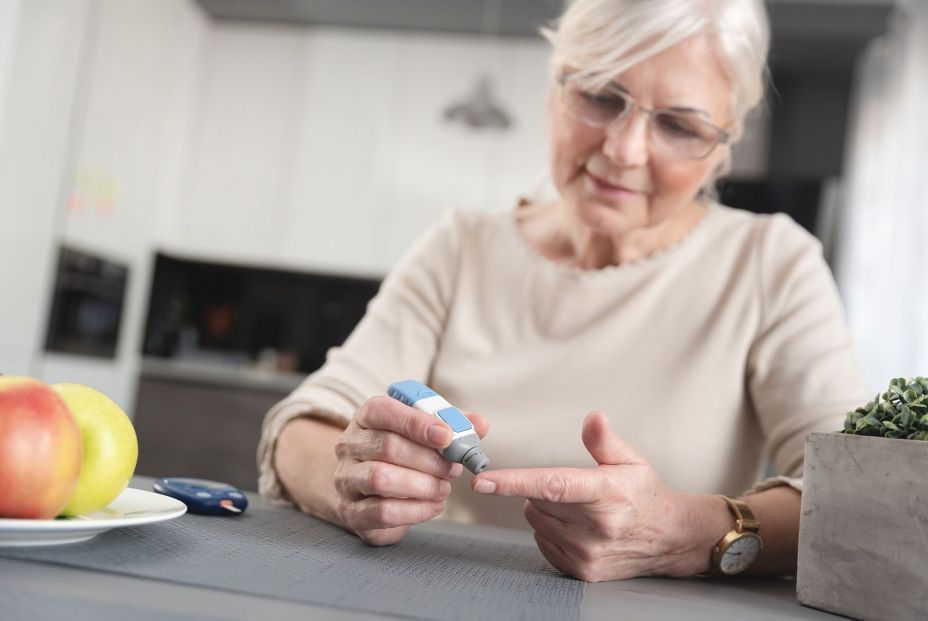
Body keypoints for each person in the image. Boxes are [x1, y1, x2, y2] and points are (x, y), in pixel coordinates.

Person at [257, 0, 869, 582]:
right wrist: (350, 480)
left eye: (680, 125)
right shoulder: (461, 249)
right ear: (554, 89)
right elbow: (299, 428)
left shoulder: (773, 265)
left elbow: (856, 494)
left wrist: (685, 531)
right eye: (602, 97)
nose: (623, 151)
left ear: (722, 150)